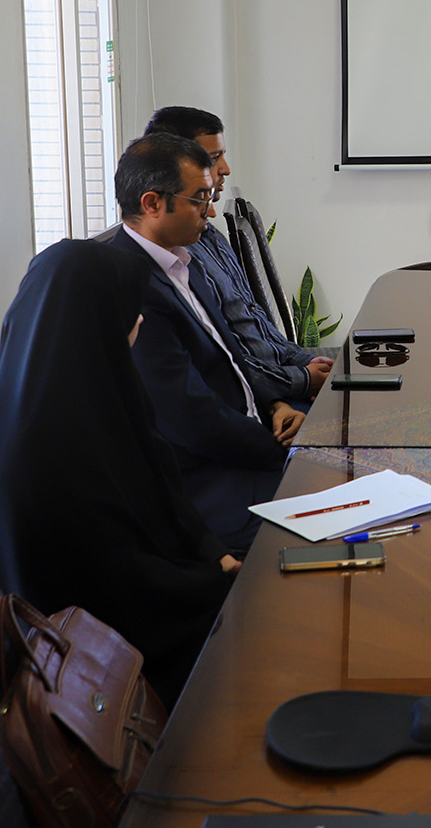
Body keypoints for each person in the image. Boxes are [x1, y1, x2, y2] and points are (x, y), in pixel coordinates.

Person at [0, 238, 237, 705]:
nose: (139, 320)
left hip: (121, 606)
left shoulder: (53, 394)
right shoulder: (53, 448)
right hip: (98, 660)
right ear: (94, 317)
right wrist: (215, 580)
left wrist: (213, 554)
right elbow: (119, 585)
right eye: (128, 308)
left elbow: (155, 485)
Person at [108, 133, 303, 553]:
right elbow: (188, 416)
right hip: (210, 479)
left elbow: (231, 355)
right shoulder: (130, 284)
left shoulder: (182, 259)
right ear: (152, 203)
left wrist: (274, 405)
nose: (210, 211)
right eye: (199, 199)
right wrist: (282, 452)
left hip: (251, 439)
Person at [143, 105, 332, 408]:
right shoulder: (176, 258)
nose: (226, 169)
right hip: (265, 395)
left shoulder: (209, 235)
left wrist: (306, 363)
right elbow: (223, 361)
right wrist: (300, 382)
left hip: (279, 383)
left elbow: (254, 320)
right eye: (214, 157)